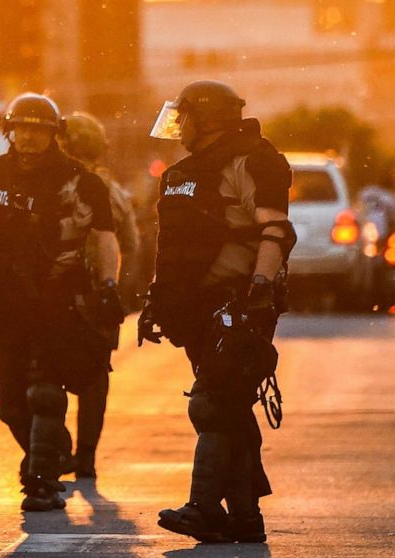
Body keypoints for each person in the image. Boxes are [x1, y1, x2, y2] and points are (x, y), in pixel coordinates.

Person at [0, 93, 123, 511]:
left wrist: (107, 287)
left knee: (46, 392)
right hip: (2, 300)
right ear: (8, 131)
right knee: (10, 401)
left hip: (59, 300)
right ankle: (54, 451)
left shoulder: (83, 182)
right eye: (21, 128)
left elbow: (104, 239)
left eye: (38, 130)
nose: (28, 137)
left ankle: (41, 482)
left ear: (53, 134)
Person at [140, 80, 294, 543]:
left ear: (206, 118)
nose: (179, 125)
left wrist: (260, 291)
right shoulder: (181, 172)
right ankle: (246, 518)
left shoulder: (253, 159)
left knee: (212, 405)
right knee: (229, 411)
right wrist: (156, 301)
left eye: (184, 115)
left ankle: (204, 509)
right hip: (195, 310)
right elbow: (173, 248)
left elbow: (277, 232)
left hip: (240, 304)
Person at [56, 110, 141, 479]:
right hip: (99, 297)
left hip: (59, 293)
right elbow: (133, 245)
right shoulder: (114, 191)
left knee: (46, 376)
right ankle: (85, 457)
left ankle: (57, 451)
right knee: (95, 380)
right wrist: (120, 290)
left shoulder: (55, 185)